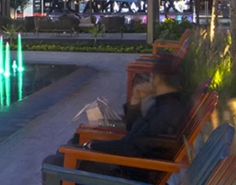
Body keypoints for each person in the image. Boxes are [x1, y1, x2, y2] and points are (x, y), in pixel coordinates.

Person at [42, 56, 188, 183]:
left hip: (126, 174)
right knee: (73, 143)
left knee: (52, 163)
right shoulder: (168, 106)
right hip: (131, 165)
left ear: (157, 78)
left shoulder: (166, 112)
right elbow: (136, 135)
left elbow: (130, 147)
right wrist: (135, 101)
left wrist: (92, 145)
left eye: (150, 76)